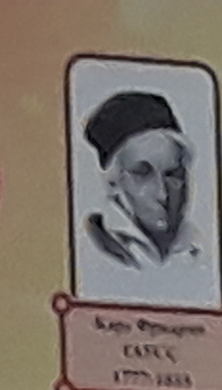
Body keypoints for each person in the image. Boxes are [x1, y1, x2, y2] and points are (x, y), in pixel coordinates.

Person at [80, 86, 203, 284]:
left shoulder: (199, 248)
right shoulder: (97, 247)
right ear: (113, 182)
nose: (162, 193)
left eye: (173, 175)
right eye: (142, 174)